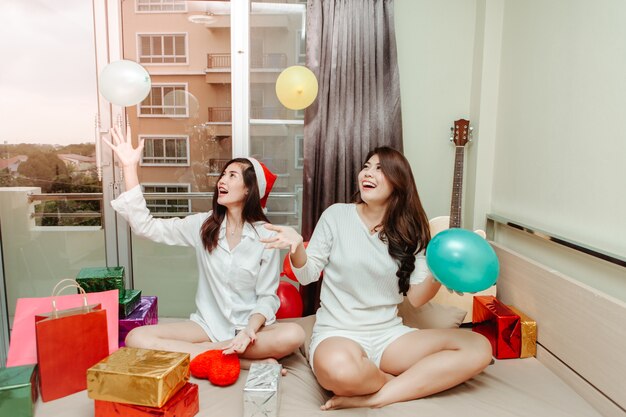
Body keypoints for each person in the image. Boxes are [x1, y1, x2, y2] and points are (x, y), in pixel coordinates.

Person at [263, 146, 492, 409]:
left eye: (380, 169)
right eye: (367, 166)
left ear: (398, 183)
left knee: (479, 347)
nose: (367, 173)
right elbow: (307, 275)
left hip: (389, 336)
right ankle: (394, 380)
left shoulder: (410, 232)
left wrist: (438, 276)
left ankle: (379, 396)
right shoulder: (337, 215)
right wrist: (298, 248)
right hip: (337, 333)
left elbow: (416, 298)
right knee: (340, 373)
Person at [103, 125, 305, 369]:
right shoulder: (203, 225)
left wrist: (248, 331)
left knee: (294, 334)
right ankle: (233, 358)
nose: (222, 180)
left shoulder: (267, 236)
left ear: (249, 189)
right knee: (136, 337)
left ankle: (207, 354)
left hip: (250, 330)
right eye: (223, 174)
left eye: (232, 176)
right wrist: (128, 168)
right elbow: (146, 227)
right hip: (207, 326)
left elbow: (267, 298)